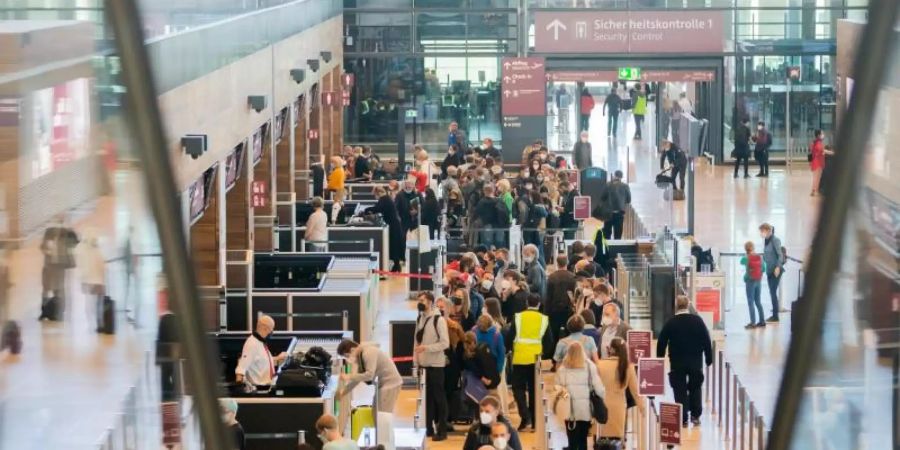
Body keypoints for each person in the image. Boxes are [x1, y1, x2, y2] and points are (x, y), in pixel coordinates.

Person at [656, 295, 713, 426]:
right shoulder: (698, 320)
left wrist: (660, 357)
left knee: (679, 388)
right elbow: (706, 340)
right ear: (688, 305)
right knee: (695, 387)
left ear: (676, 306)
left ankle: (682, 417)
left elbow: (662, 341)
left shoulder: (671, 322)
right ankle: (695, 415)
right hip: (695, 361)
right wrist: (709, 358)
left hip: (677, 362)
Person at [509, 294, 552, 431]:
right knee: (534, 391)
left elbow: (510, 336)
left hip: (520, 358)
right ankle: (534, 421)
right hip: (536, 359)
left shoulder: (518, 317)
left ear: (526, 302)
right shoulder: (544, 319)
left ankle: (524, 415)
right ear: (539, 304)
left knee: (518, 388)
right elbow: (549, 341)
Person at [555, 341, 605, 450]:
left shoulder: (562, 368)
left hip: (569, 409)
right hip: (585, 409)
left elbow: (558, 389)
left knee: (572, 439)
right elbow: (598, 387)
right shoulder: (589, 366)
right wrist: (602, 396)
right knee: (583, 439)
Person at [414, 291, 450, 441]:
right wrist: (415, 362)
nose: (420, 303)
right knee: (427, 399)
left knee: (439, 399)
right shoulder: (419, 318)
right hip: (424, 365)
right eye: (419, 300)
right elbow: (416, 342)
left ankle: (442, 430)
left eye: (422, 300)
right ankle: (428, 427)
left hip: (436, 365)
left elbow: (445, 343)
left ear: (430, 302)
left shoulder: (438, 320)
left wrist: (427, 348)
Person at [337, 339, 403, 413]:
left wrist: (348, 376)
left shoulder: (368, 353)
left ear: (352, 350)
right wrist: (343, 392)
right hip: (383, 385)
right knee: (375, 413)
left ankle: (383, 424)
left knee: (382, 415)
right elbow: (357, 378)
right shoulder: (361, 355)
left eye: (347, 356)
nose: (348, 359)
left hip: (391, 384)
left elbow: (369, 375)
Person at [596, 337, 644, 440]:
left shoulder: (600, 365)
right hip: (619, 407)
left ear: (611, 349)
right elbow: (635, 392)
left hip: (601, 408)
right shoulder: (628, 366)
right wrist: (642, 408)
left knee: (601, 442)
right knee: (616, 441)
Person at [39, 215, 78, 321]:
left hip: (60, 265)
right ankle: (44, 311)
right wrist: (46, 251)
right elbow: (42, 246)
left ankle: (59, 311)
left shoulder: (66, 232)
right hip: (48, 264)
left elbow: (75, 242)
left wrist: (69, 228)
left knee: (59, 289)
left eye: (60, 221)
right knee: (45, 288)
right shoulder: (48, 232)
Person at [235, 314, 288, 386]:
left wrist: (278, 359)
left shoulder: (260, 342)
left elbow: (262, 361)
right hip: (261, 390)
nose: (272, 331)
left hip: (269, 385)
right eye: (271, 329)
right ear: (265, 328)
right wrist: (240, 389)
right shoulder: (252, 344)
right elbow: (241, 367)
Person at [365, 187, 405, 272]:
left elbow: (377, 208)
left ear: (378, 193)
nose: (375, 197)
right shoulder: (386, 198)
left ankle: (396, 266)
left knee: (394, 245)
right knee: (394, 245)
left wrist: (366, 210)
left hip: (393, 225)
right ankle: (396, 265)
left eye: (375, 195)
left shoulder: (384, 199)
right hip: (394, 224)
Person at [74, 232, 107, 333]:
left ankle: (92, 323)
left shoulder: (82, 249)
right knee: (96, 303)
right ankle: (98, 323)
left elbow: (80, 264)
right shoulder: (97, 250)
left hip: (89, 281)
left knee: (90, 302)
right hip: (97, 281)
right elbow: (102, 266)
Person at [546, 255, 577, 345]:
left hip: (554, 310)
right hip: (568, 310)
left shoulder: (552, 277)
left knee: (554, 335)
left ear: (557, 263)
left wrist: (546, 313)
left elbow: (548, 297)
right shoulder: (572, 277)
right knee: (569, 333)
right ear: (567, 262)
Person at [759, 223, 785, 322]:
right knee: (772, 292)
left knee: (773, 292)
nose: (761, 233)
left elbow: (780, 255)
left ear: (768, 231)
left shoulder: (775, 240)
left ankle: (775, 316)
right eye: (760, 231)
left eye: (762, 231)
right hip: (769, 270)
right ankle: (775, 315)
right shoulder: (766, 241)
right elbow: (767, 255)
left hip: (776, 270)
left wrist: (778, 267)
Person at [740, 241, 767, 329]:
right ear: (753, 247)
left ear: (745, 249)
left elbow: (741, 262)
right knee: (758, 301)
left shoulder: (746, 257)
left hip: (750, 282)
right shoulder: (759, 257)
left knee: (750, 302)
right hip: (758, 281)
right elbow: (764, 269)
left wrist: (745, 278)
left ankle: (753, 323)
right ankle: (762, 321)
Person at [600, 170, 631, 239]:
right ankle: (616, 249)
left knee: (607, 234)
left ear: (614, 175)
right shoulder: (625, 186)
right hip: (619, 213)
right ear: (621, 177)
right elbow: (629, 200)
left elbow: (602, 198)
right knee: (618, 235)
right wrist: (622, 200)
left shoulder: (608, 184)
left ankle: (607, 249)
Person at [809, 129, 832, 196]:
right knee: (817, 177)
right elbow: (822, 151)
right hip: (818, 163)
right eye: (822, 134)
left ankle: (814, 190)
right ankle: (814, 191)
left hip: (816, 162)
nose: (823, 135)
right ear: (818, 135)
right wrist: (831, 152)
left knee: (816, 177)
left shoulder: (815, 142)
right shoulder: (818, 143)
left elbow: (813, 152)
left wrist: (810, 163)